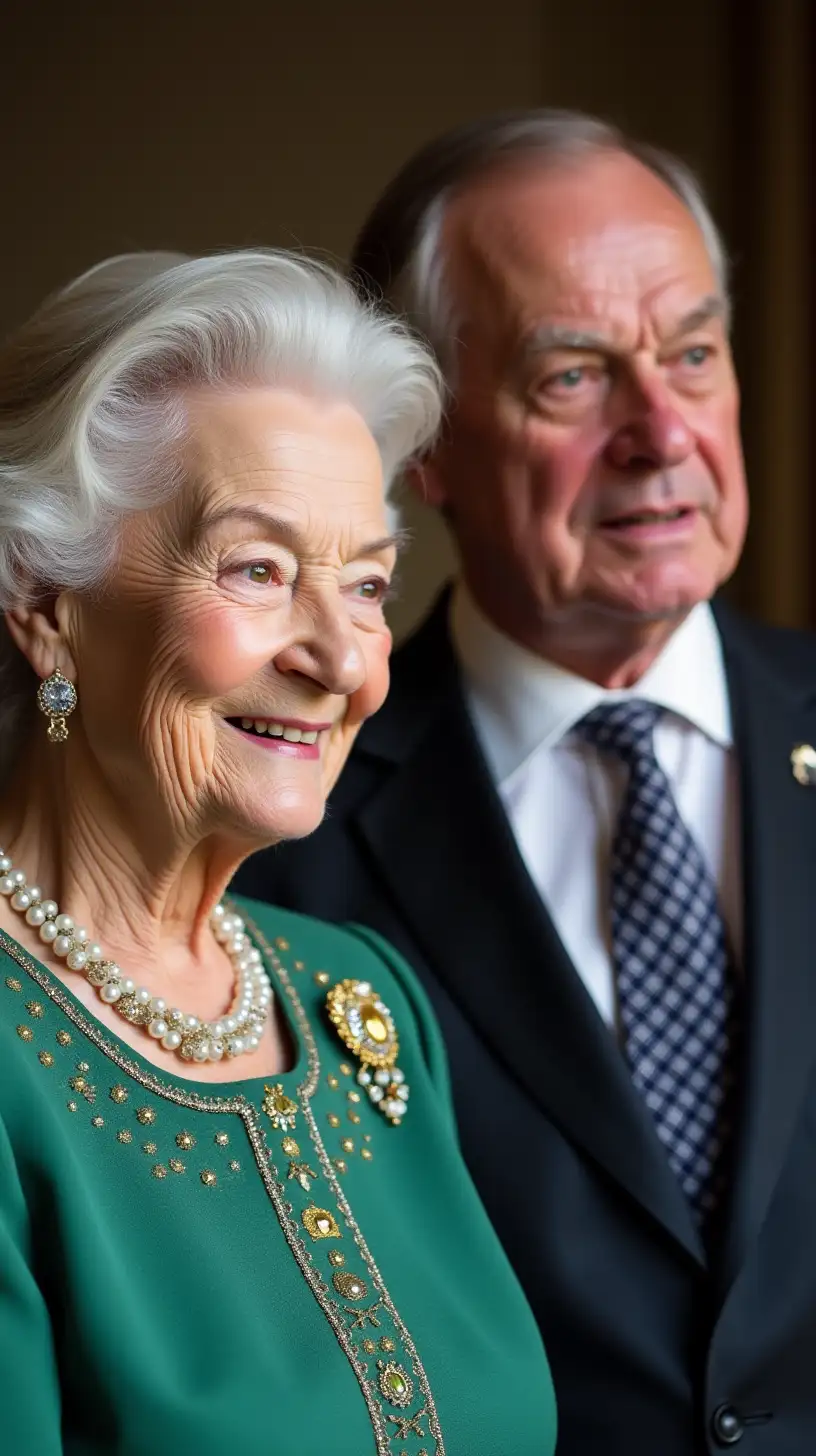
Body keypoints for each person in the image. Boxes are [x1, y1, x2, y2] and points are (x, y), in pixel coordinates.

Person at [235, 112, 816, 1453]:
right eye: (573, 378)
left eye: (694, 354)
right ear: (421, 444)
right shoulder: (278, 833)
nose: (660, 429)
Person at [0, 249, 557, 1455]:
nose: (344, 660)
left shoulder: (361, 1001)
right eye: (258, 569)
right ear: (45, 595)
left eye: (366, 586)